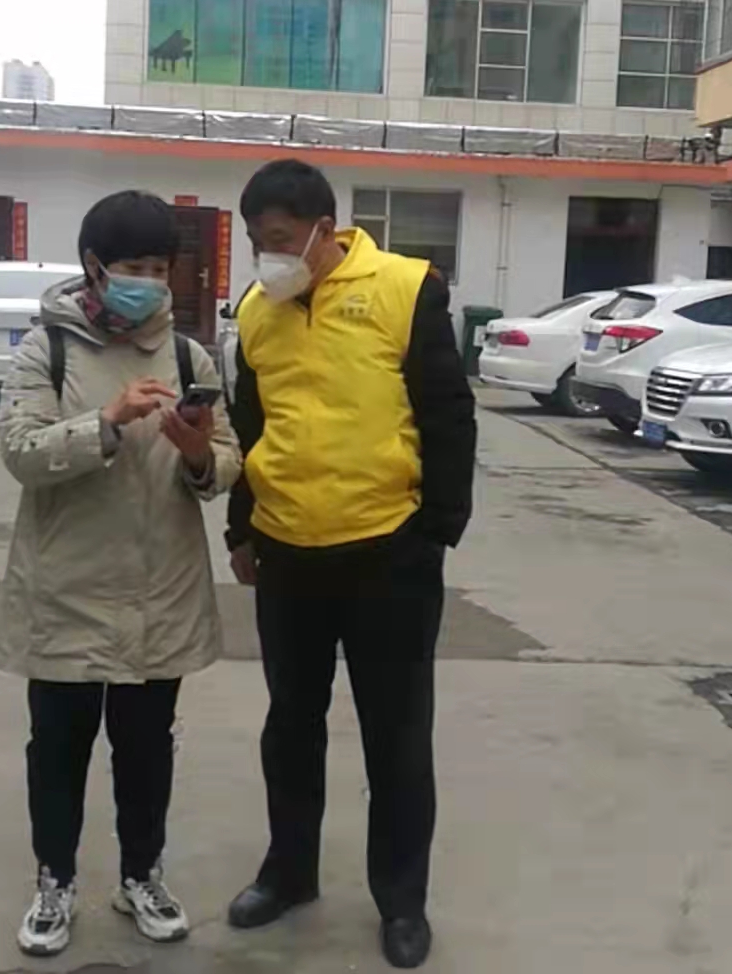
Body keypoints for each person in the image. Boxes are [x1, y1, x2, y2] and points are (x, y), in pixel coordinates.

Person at [223, 159, 477, 970]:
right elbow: (249, 424)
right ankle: (288, 872)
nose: (268, 256)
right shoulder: (257, 310)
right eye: (257, 242)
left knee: (395, 736)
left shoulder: (405, 288)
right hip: (287, 553)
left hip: (388, 554)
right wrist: (241, 529)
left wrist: (435, 532)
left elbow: (448, 415)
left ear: (323, 230)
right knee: (290, 726)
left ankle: (401, 901)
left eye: (280, 239)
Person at [0, 190, 242, 959]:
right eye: (135, 267)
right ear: (95, 267)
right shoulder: (47, 350)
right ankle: (54, 882)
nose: (150, 283)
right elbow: (21, 454)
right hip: (65, 589)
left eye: (161, 268)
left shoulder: (190, 357)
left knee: (146, 750)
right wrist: (106, 422)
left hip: (158, 591)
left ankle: (141, 876)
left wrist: (198, 456)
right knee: (57, 750)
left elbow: (226, 460)